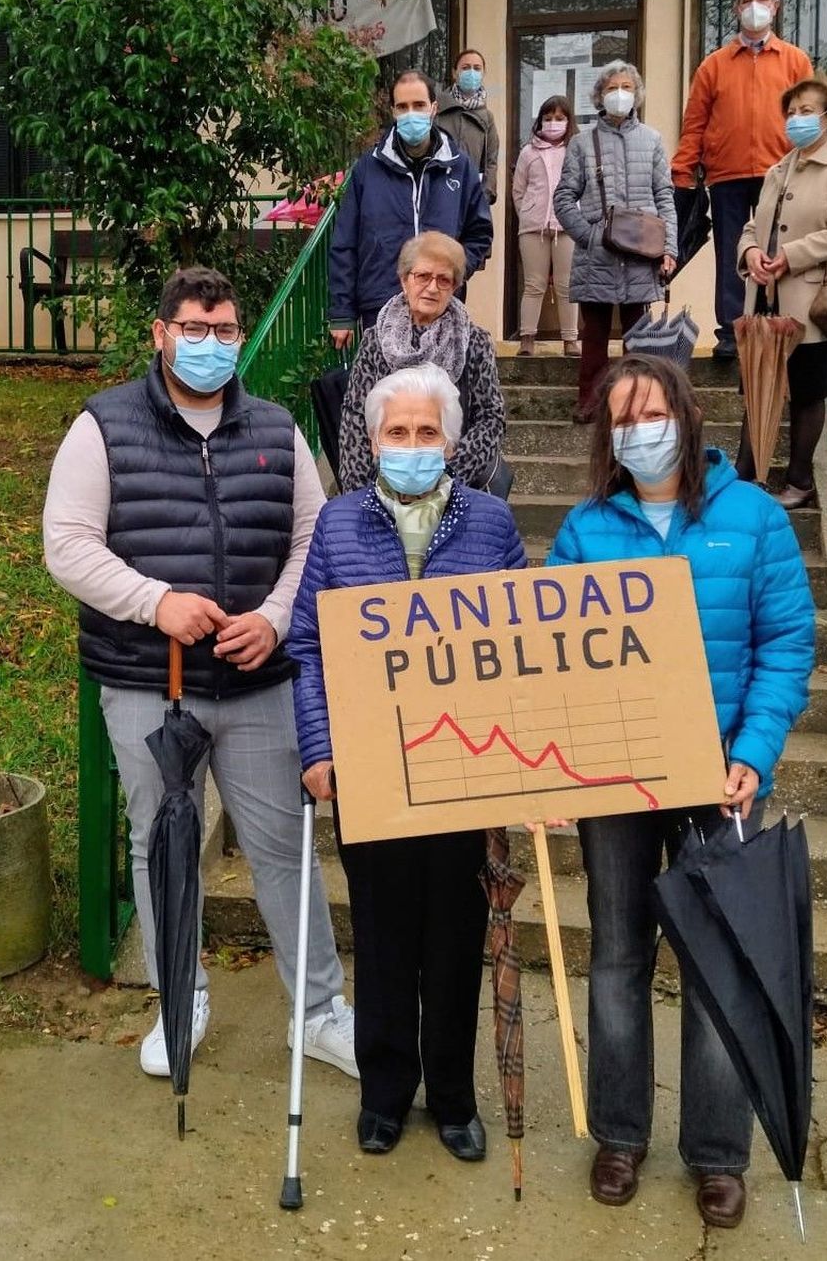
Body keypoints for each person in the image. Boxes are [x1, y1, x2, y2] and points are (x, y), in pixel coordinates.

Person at [43, 265, 357, 1084]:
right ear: (160, 333)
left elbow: (311, 543)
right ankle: (178, 997)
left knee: (285, 846)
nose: (210, 345)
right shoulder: (102, 426)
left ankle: (320, 1009)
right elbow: (68, 544)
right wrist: (157, 603)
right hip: (152, 680)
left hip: (259, 683)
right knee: (161, 844)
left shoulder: (276, 427)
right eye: (193, 328)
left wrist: (280, 618)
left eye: (224, 331)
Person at [542, 354, 815, 1229]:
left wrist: (756, 751)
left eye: (651, 411)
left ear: (688, 415)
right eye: (621, 418)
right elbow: (549, 655)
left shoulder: (756, 518)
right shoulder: (586, 529)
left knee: (719, 968)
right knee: (617, 958)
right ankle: (620, 1134)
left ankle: (718, 1154)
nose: (638, 430)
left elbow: (786, 644)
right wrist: (556, 763)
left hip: (718, 778)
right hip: (617, 781)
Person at [289, 363, 528, 1160]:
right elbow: (308, 644)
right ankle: (385, 1093)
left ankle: (454, 1098)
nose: (413, 445)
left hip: (463, 765)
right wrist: (320, 747)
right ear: (374, 438)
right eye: (399, 432)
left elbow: (524, 646)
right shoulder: (339, 523)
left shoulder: (492, 524)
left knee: (456, 936)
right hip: (371, 766)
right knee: (385, 936)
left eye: (428, 432)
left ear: (452, 442)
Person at [737, 74, 827, 508]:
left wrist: (792, 255)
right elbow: (751, 225)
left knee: (806, 392)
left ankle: (799, 480)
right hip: (766, 298)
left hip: (811, 300)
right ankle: (744, 477)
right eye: (792, 112)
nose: (796, 120)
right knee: (758, 388)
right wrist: (752, 252)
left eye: (807, 111)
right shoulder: (780, 167)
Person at [670, 0, 814, 360]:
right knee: (732, 255)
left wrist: (811, 163)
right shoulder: (713, 66)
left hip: (779, 174)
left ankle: (772, 328)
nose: (755, 5)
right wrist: (683, 171)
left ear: (776, 7)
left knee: (774, 253)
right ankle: (732, 333)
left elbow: (809, 116)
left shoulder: (795, 60)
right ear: (736, 9)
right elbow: (695, 123)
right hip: (726, 176)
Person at [328, 70, 495, 347]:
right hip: (380, 305)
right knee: (385, 391)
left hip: (442, 306)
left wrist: (451, 274)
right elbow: (344, 243)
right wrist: (342, 312)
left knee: (438, 390)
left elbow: (479, 233)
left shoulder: (459, 166)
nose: (411, 113)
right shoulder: (367, 169)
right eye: (402, 107)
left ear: (433, 108)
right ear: (393, 111)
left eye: (418, 105)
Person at [554, 61, 678, 422]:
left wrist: (669, 248)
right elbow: (564, 198)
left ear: (636, 93)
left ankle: (636, 403)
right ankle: (591, 402)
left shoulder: (652, 140)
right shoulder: (581, 143)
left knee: (638, 337)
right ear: (600, 96)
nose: (619, 93)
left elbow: (665, 196)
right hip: (598, 255)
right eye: (612, 88)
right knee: (593, 335)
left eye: (626, 86)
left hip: (642, 254)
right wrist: (589, 236)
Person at [336, 231, 505, 494]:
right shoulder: (376, 340)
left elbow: (491, 418)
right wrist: (360, 492)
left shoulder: (474, 341)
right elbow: (356, 416)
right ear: (404, 280)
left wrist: (445, 479)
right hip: (382, 483)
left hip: (456, 486)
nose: (432, 287)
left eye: (444, 280)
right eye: (423, 276)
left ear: (454, 287)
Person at [512, 93, 580, 357]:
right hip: (533, 229)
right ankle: (527, 338)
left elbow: (583, 187)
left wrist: (577, 217)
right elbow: (519, 190)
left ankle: (570, 340)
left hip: (567, 227)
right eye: (548, 117)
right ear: (540, 120)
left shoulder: (575, 149)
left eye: (559, 118)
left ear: (568, 120)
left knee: (566, 285)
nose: (553, 123)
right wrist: (529, 214)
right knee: (534, 284)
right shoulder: (528, 152)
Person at [436, 48, 501, 207]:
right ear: (455, 73)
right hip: (439, 196)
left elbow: (491, 162)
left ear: (483, 73)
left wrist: (484, 197)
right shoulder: (437, 110)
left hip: (473, 199)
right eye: (465, 68)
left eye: (477, 68)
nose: (471, 72)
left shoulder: (487, 118)